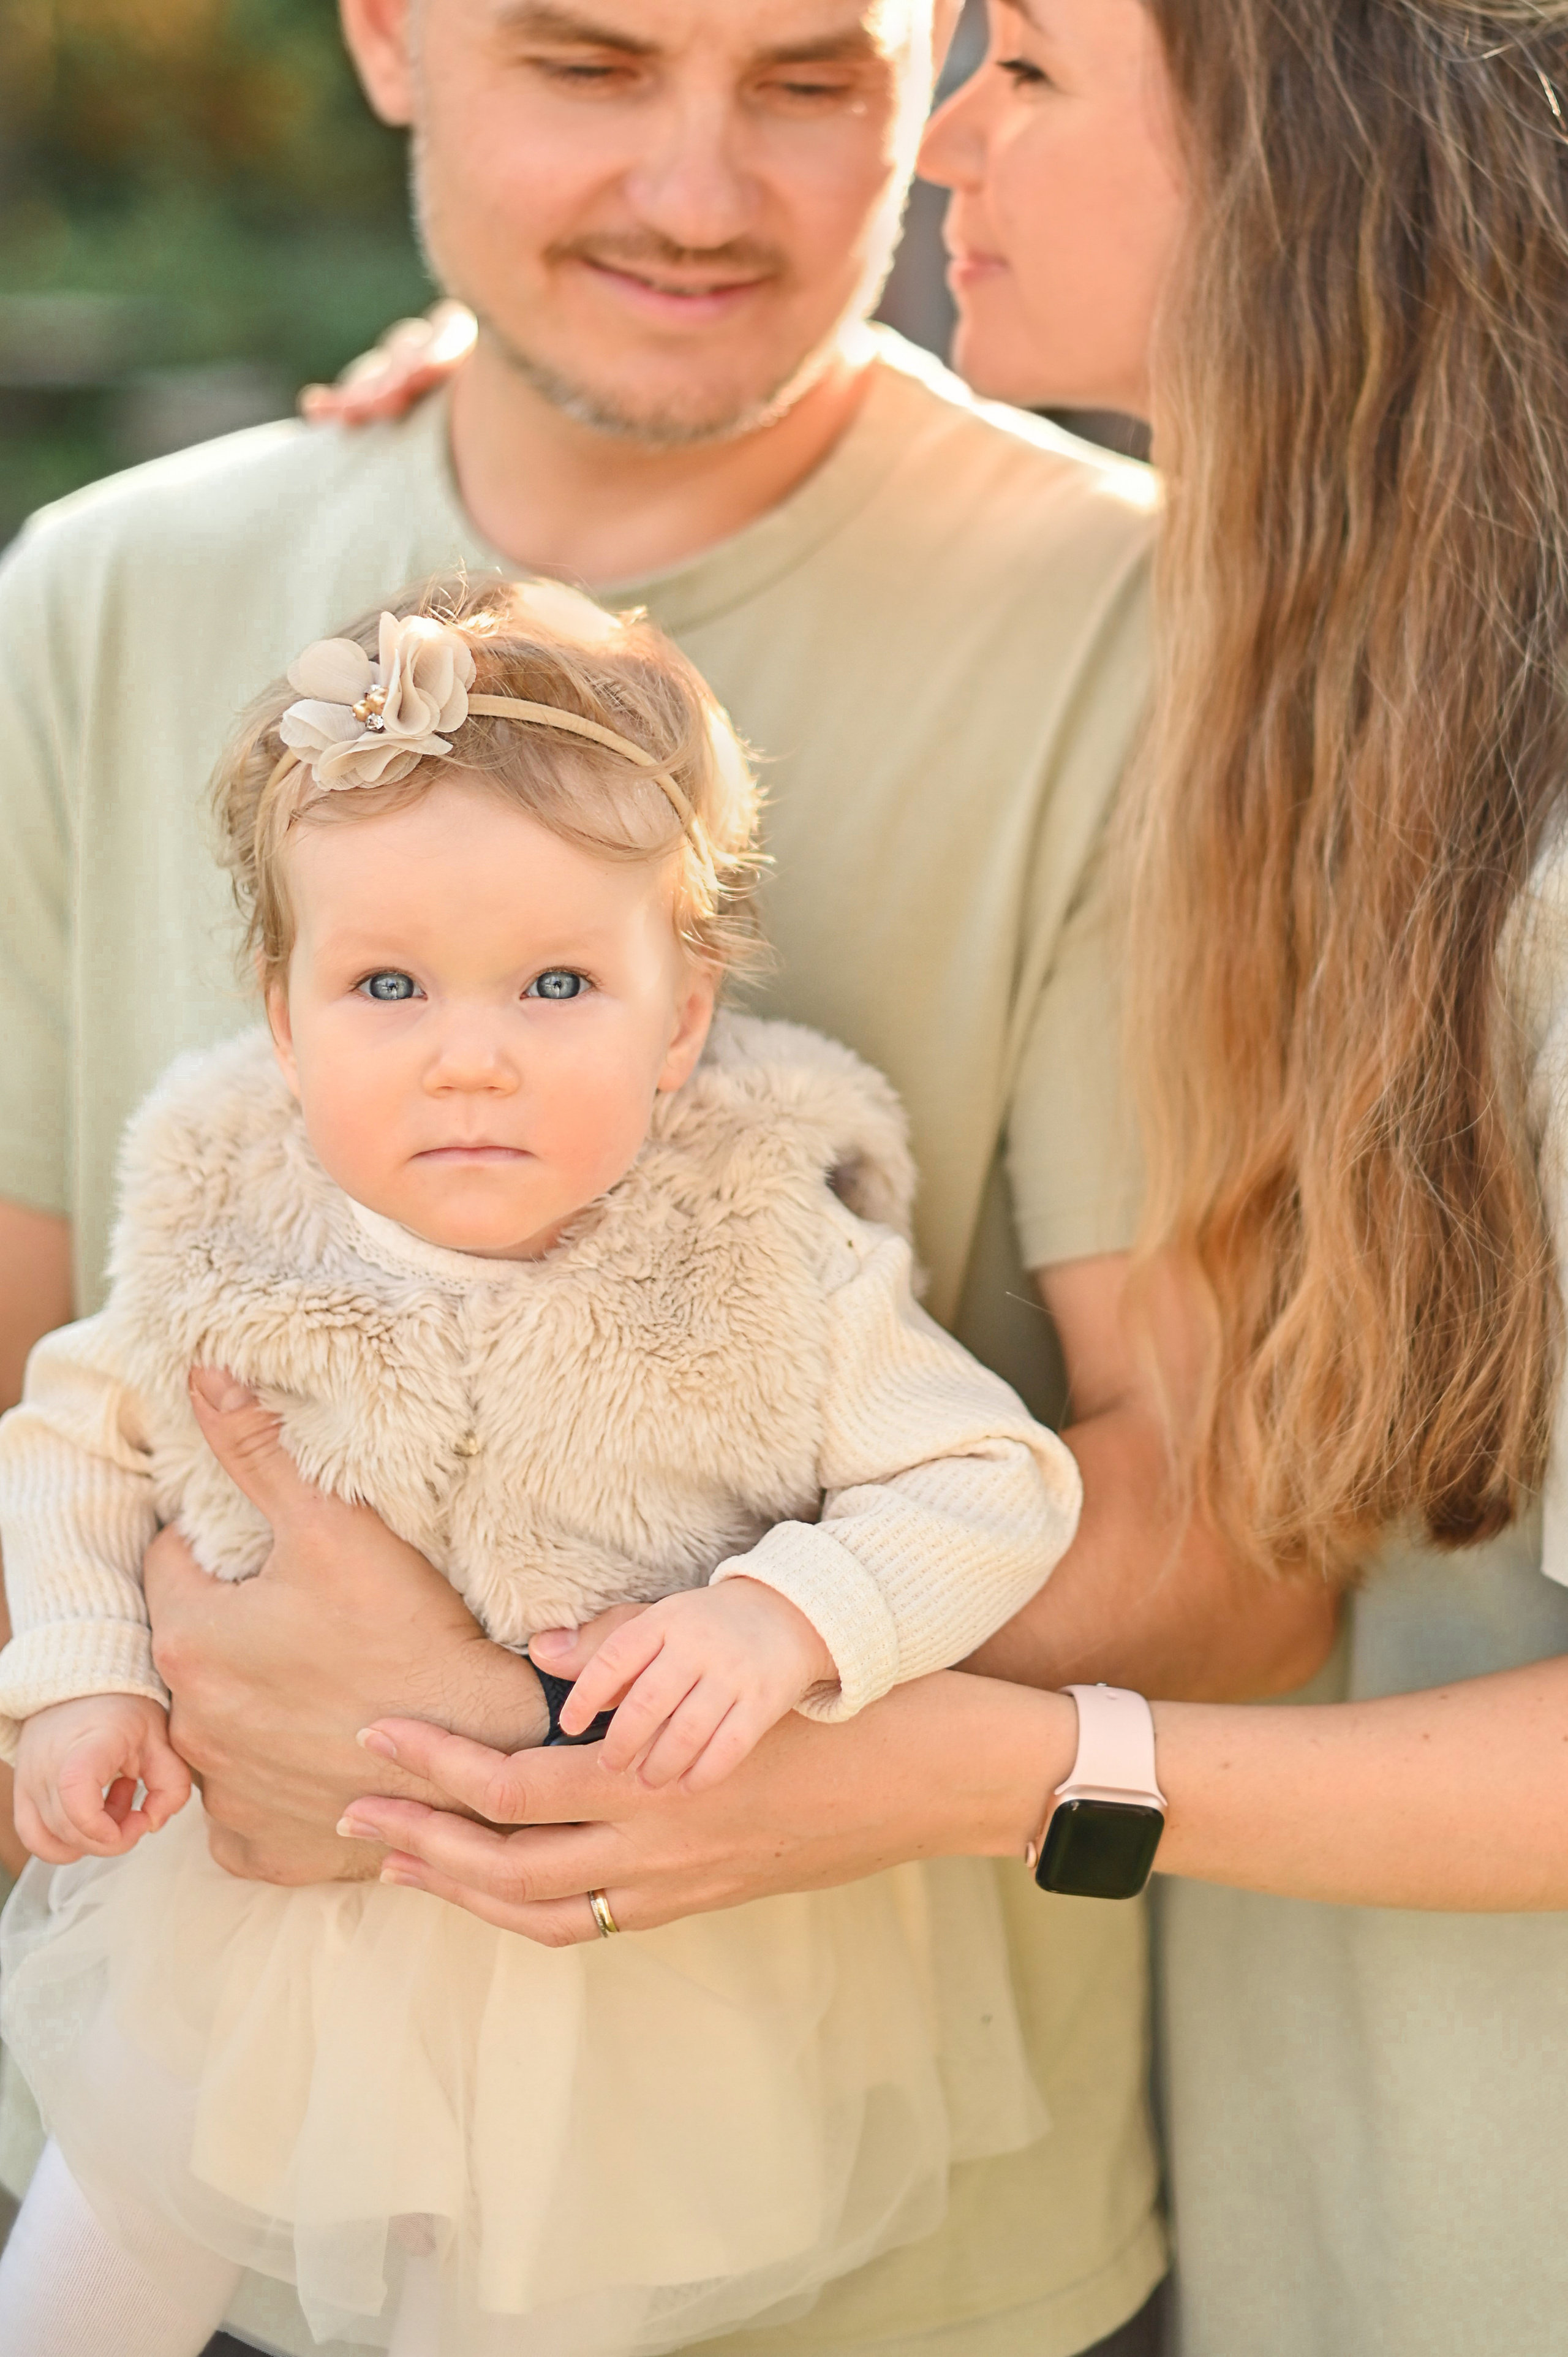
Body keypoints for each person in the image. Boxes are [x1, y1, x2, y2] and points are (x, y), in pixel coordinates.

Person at [1, 6, 1340, 2353]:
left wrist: (511, 1714)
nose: (704, 198)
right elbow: (46, 1399)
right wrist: (154, 1683)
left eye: (813, 82)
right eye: (592, 70)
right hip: (200, 2180)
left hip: (883, 2256)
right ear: (392, 37)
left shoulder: (1162, 631)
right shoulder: (93, 597)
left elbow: (1248, 1558)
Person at [324, 4, 1568, 2353]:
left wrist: (992, 1765)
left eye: (1033, 75)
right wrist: (524, 379)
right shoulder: (1314, 672)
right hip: (1315, 2220)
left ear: (1298, 163)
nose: (940, 145)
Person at [0, 575, 1083, 2356]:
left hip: (612, 1959)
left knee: (511, 2318)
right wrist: (81, 1681)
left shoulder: (763, 1253)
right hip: (253, 1918)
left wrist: (780, 1622)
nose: (471, 1053)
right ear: (284, 1015)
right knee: (87, 2281)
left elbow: (995, 1483)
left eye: (561, 981)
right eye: (387, 986)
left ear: (679, 1018)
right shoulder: (233, 1210)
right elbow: (74, 1442)